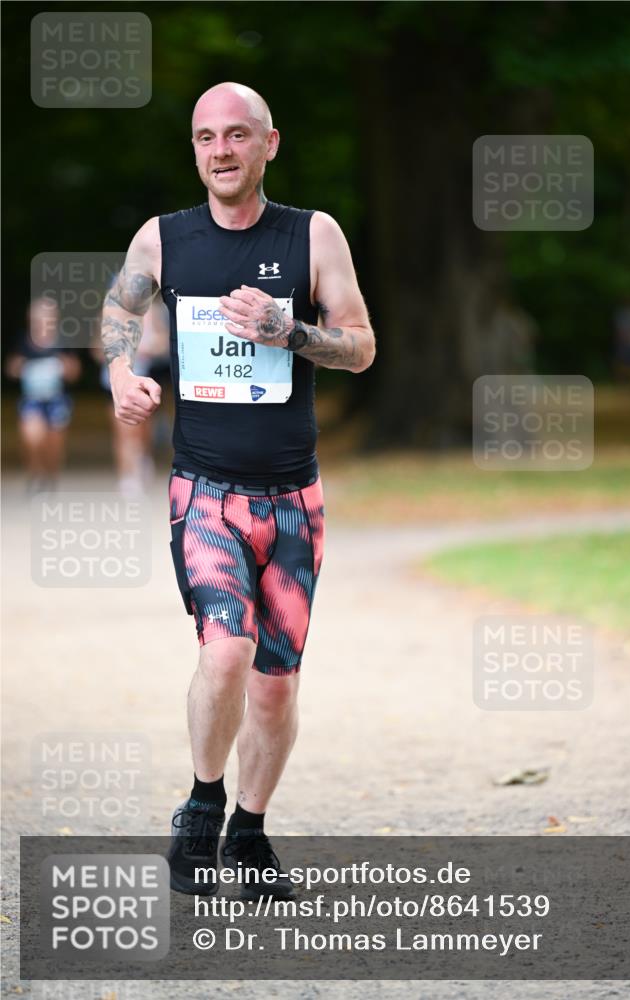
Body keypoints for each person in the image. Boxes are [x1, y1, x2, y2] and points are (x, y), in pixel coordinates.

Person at [100, 82, 376, 896]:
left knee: (276, 681)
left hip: (294, 498)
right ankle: (200, 807)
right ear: (194, 149)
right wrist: (122, 371)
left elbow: (360, 345)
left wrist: (287, 332)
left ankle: (248, 834)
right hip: (204, 491)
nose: (219, 150)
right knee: (226, 652)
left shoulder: (312, 235)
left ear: (268, 144)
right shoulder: (163, 239)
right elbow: (119, 313)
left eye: (235, 135)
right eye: (204, 137)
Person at [93, 297, 171, 497]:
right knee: (122, 430)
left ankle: (143, 458)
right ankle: (127, 477)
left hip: (145, 378)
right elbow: (96, 350)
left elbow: (163, 342)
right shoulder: (108, 313)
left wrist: (147, 349)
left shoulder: (152, 311)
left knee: (142, 431)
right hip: (114, 383)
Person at [5, 296, 81, 493]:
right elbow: (11, 367)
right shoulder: (23, 339)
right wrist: (21, 368)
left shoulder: (63, 341)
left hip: (57, 400)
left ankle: (50, 477)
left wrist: (65, 368)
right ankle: (35, 473)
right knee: (32, 438)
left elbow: (75, 371)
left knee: (54, 445)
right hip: (32, 400)